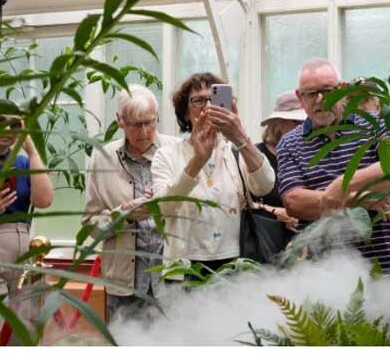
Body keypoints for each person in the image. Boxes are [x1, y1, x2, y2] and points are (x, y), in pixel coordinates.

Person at [277, 58, 390, 297]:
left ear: (342, 90)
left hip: (383, 270)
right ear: (300, 98)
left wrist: (342, 184)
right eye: (311, 94)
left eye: (327, 91)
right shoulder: (290, 143)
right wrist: (360, 199)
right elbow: (294, 202)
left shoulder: (373, 126)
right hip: (322, 276)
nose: (320, 100)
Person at [152, 72, 274, 279]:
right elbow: (163, 208)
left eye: (214, 99)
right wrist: (197, 160)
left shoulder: (234, 151)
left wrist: (240, 137)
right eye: (198, 100)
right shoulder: (167, 155)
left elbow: (265, 185)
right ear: (185, 113)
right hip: (184, 267)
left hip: (233, 262)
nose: (207, 106)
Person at [82, 85, 180, 321]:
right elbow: (90, 225)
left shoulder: (177, 151)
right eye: (136, 125)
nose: (145, 132)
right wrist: (123, 215)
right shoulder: (102, 158)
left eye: (150, 122)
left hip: (173, 279)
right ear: (120, 120)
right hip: (124, 283)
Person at [0, 113, 54, 297]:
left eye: (14, 125)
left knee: (24, 317)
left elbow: (44, 201)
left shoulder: (23, 162)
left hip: (22, 250)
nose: (7, 129)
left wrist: (31, 150)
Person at [250, 91, 304, 237]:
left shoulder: (313, 154)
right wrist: (274, 211)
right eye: (296, 122)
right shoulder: (255, 156)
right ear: (279, 123)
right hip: (267, 241)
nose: (302, 127)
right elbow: (241, 203)